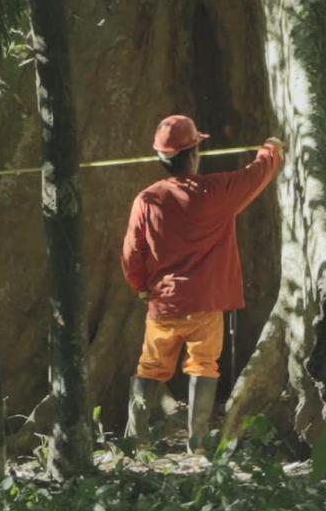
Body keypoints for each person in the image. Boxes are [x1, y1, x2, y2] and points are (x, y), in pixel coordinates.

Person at [121, 115, 284, 453]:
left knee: (150, 368)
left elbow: (131, 252)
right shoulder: (216, 192)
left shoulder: (147, 200)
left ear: (160, 158)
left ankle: (136, 441)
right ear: (193, 154)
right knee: (204, 365)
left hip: (164, 304)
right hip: (206, 304)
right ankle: (196, 443)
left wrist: (139, 285)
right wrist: (272, 150)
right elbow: (255, 176)